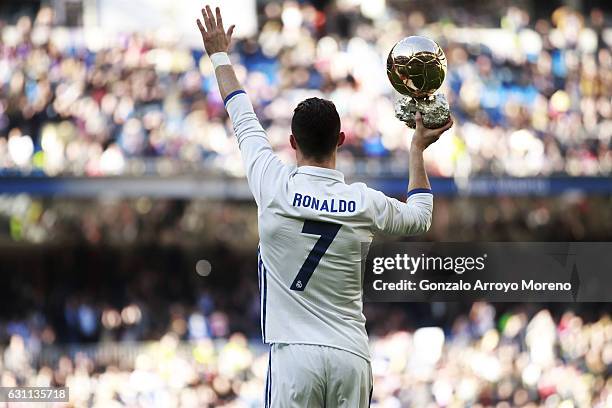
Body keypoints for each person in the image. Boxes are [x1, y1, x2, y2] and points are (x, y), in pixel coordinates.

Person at [196, 6, 453, 407]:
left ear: (292, 144)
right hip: (351, 355)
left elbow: (240, 112)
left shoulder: (272, 182)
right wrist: (417, 149)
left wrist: (219, 54)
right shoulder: (362, 201)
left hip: (295, 357)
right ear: (342, 140)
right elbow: (420, 218)